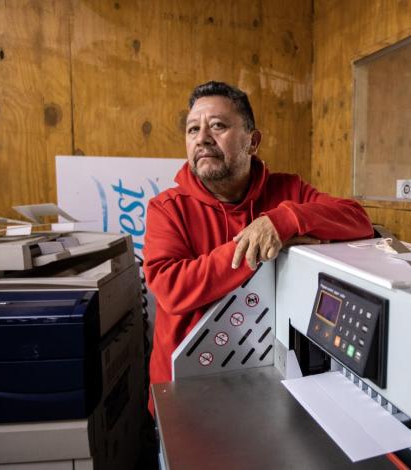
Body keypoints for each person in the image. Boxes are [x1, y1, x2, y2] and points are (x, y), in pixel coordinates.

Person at [143, 81, 373, 413]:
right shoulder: (167, 207)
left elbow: (357, 220)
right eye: (193, 129)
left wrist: (283, 221)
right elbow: (172, 288)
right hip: (184, 388)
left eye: (218, 126)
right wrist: (258, 247)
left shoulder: (287, 190)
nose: (202, 138)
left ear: (253, 141)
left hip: (268, 380)